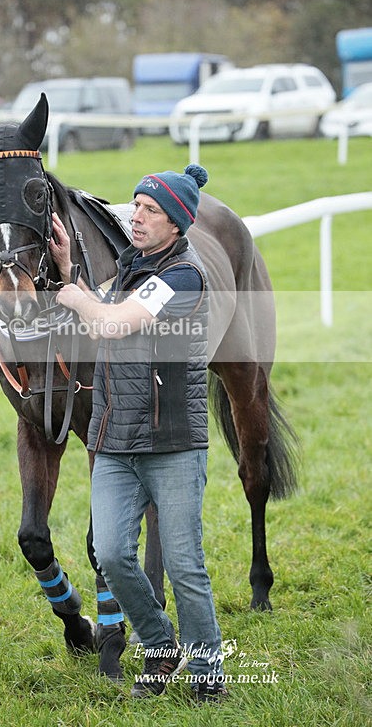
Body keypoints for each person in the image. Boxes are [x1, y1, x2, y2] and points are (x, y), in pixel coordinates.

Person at [52, 164, 226, 703]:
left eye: (150, 209)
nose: (137, 216)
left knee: (183, 565)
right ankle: (159, 643)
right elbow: (106, 310)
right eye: (134, 206)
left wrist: (76, 298)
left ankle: (206, 674)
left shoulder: (184, 276)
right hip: (114, 443)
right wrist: (66, 269)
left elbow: (110, 322)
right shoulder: (132, 268)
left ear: (176, 223)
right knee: (110, 553)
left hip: (172, 446)